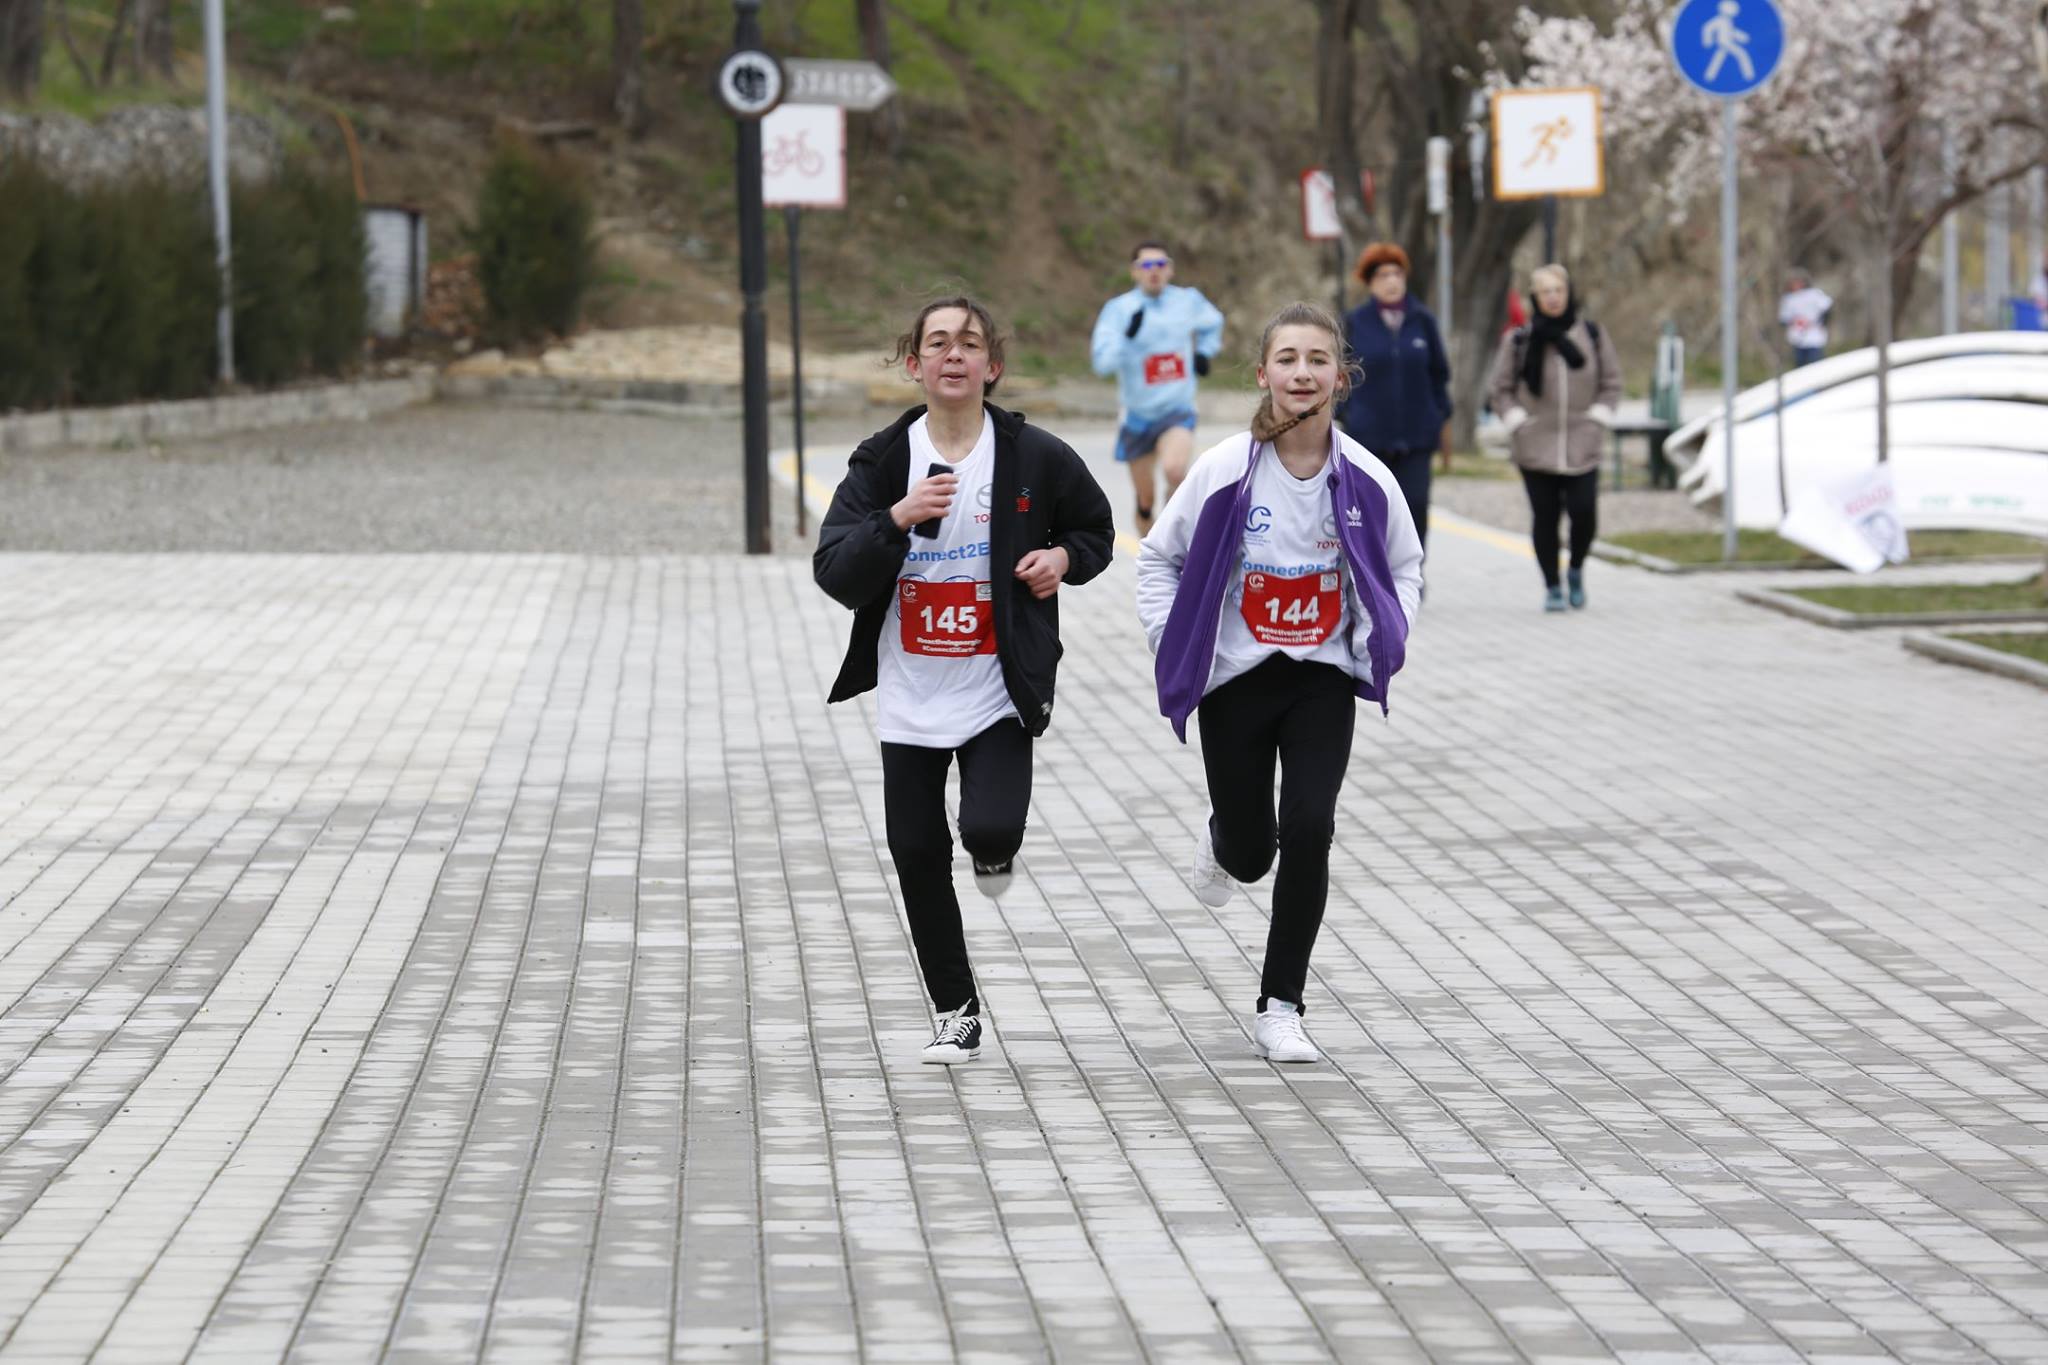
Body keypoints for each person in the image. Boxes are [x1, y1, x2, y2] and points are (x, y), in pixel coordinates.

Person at [814, 298, 1115, 1065]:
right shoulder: (885, 460)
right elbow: (835, 570)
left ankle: (992, 849)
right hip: (910, 694)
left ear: (993, 365)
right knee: (916, 851)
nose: (954, 354)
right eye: (938, 343)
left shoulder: (1034, 456)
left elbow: (1095, 530)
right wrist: (896, 518)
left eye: (970, 343)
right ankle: (956, 1010)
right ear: (914, 364)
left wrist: (1062, 559)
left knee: (989, 831)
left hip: (997, 689)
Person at [1136, 302, 1424, 1066]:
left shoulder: (1366, 478)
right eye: (1288, 359)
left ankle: (1282, 1005)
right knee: (1252, 853)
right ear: (1263, 373)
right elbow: (1157, 558)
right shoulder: (1225, 470)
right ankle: (1223, 837)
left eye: (1318, 359)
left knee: (1309, 825)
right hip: (1236, 679)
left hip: (1320, 680)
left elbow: (1405, 566)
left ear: (1341, 376)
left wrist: (1386, 636)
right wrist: (1176, 640)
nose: (1303, 372)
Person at [1486, 263, 1621, 612]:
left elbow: (1611, 382)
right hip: (1535, 444)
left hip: (1582, 442)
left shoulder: (1591, 334)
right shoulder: (1520, 340)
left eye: (1558, 290)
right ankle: (1552, 586)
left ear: (1568, 293)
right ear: (1535, 297)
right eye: (1545, 292)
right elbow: (1500, 389)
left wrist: (1598, 417)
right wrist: (1517, 421)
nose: (1553, 297)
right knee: (1545, 518)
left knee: (1583, 512)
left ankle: (1575, 568)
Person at [1091, 240, 1226, 536]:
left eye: (1160, 264)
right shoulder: (1119, 310)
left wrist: (1204, 351)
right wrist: (1127, 338)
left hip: (1177, 407)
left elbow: (1214, 323)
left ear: (1170, 269)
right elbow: (1102, 364)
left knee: (1175, 471)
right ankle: (1150, 547)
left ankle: (1172, 530)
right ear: (1134, 271)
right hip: (1137, 415)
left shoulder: (1188, 301)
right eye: (1146, 265)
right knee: (1145, 500)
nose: (1154, 271)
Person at [1338, 242, 1452, 548]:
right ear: (1370, 282)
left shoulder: (1423, 321)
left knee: (1415, 506)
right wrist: (1347, 414)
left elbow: (1439, 373)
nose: (1391, 281)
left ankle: (1412, 572)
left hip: (1416, 439)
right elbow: (1340, 374)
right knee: (1370, 511)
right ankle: (1373, 571)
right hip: (1368, 438)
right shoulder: (1355, 322)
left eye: (1397, 274)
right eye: (1383, 275)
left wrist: (1438, 415)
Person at [1779, 269, 1833, 368]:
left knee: (1816, 364)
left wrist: (1823, 323)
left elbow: (1827, 308)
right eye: (1793, 282)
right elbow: (1784, 319)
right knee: (1800, 366)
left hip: (1814, 336)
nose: (1795, 285)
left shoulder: (1814, 294)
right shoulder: (1788, 299)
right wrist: (1795, 322)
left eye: (1797, 282)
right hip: (1797, 338)